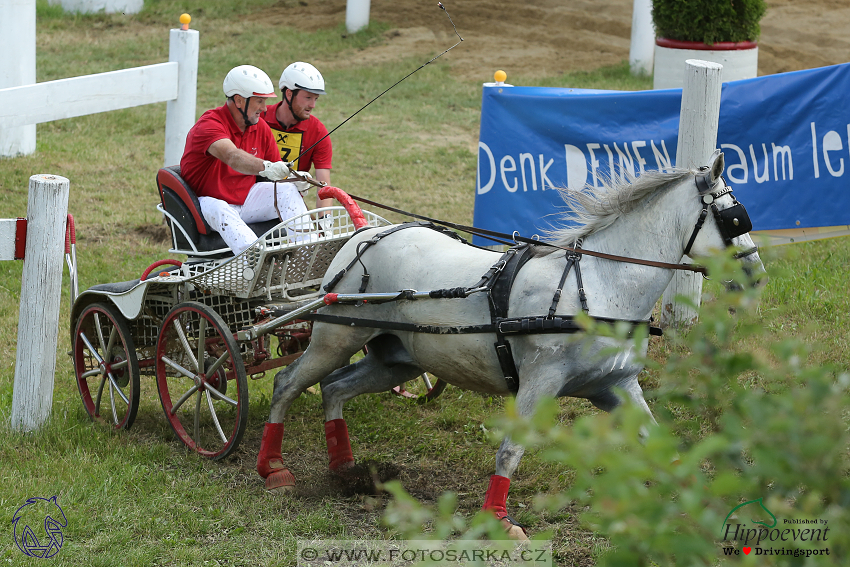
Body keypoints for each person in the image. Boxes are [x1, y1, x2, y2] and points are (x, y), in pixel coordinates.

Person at [179, 64, 313, 256]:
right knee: (219, 208)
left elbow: (277, 174)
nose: (265, 109)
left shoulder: (261, 128)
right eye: (259, 101)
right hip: (205, 206)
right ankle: (257, 262)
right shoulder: (209, 124)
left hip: (246, 200)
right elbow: (232, 156)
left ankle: (311, 257)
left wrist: (296, 180)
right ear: (239, 101)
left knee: (287, 190)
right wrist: (265, 167)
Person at [262, 62, 334, 218]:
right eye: (308, 97)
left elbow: (324, 186)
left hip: (290, 204)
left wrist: (325, 221)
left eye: (316, 98)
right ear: (289, 94)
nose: (312, 105)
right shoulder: (259, 119)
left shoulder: (318, 131)